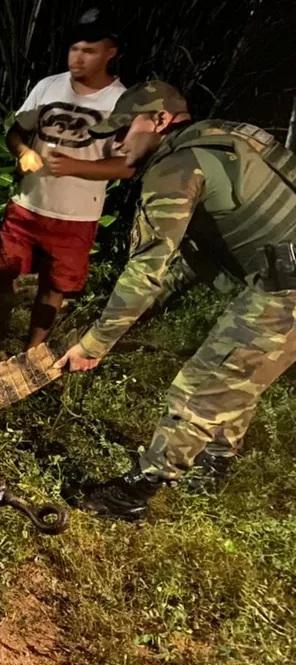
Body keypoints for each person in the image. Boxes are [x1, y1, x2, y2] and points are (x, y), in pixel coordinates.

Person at [55, 80, 296, 521]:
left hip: (287, 286)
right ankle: (216, 461)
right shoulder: (221, 137)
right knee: (238, 372)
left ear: (160, 120)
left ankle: (137, 492)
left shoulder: (176, 168)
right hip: (281, 275)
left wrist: (94, 344)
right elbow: (187, 262)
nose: (114, 142)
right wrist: (136, 312)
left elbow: (145, 270)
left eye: (124, 129)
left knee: (203, 382)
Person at [0, 8, 132, 356]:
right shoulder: (48, 86)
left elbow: (127, 166)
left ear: (110, 53)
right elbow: (15, 133)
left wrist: (74, 167)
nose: (77, 58)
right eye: (74, 49)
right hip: (27, 205)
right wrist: (23, 151)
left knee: (55, 287)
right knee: (3, 275)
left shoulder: (121, 103)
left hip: (76, 215)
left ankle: (31, 354)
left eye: (89, 51)